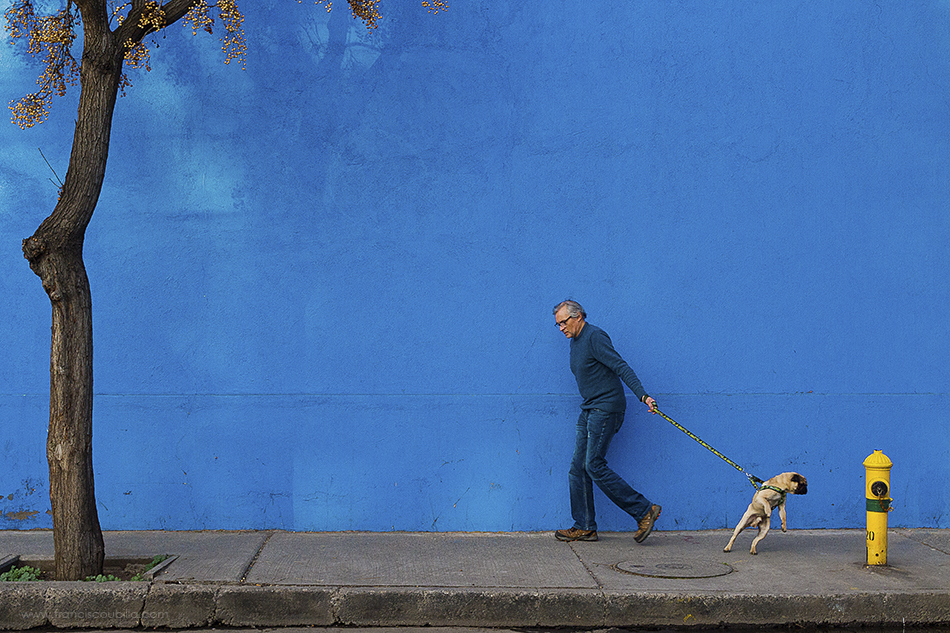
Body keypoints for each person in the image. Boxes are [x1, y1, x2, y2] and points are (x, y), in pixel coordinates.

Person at [552, 299, 661, 543]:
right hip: (590, 408)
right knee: (577, 469)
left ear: (578, 316)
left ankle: (644, 510)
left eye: (563, 322)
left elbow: (621, 367)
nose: (561, 328)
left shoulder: (595, 337)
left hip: (606, 409)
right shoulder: (575, 341)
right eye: (558, 324)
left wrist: (643, 396)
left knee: (593, 465)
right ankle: (585, 526)